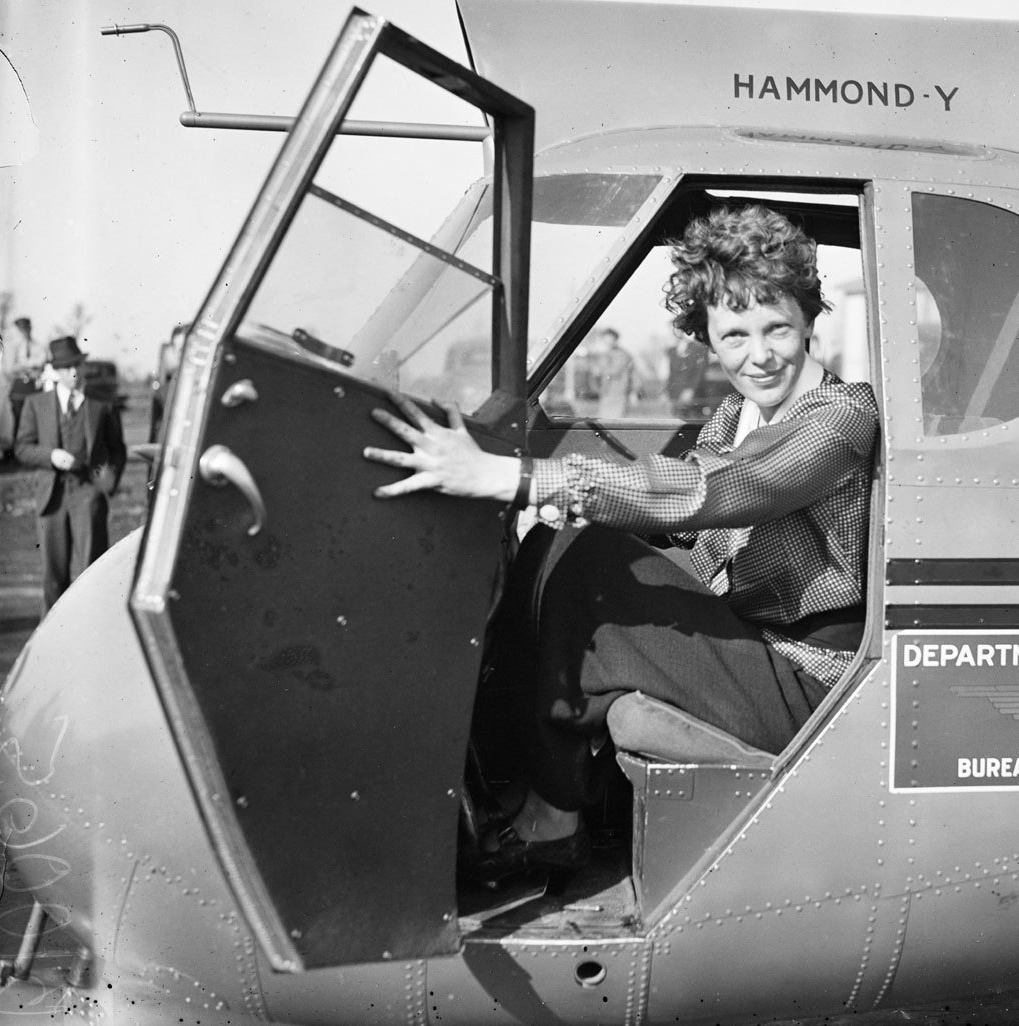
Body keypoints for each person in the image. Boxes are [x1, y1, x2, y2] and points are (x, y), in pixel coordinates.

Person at [363, 205, 878, 882]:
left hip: (811, 681)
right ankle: (505, 785)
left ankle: (553, 816)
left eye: (777, 326)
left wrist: (516, 476)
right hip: (754, 644)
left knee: (593, 560)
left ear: (810, 319)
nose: (760, 354)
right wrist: (567, 507)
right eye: (734, 335)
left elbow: (719, 491)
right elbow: (695, 533)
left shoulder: (840, 414)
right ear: (708, 339)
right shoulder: (734, 415)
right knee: (567, 539)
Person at [15, 336, 127, 614]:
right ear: (55, 370)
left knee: (93, 573)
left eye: (77, 364)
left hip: (88, 495)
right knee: (53, 579)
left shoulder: (101, 405)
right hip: (51, 498)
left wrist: (106, 485)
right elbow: (22, 448)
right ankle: (50, 646)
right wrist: (50, 456)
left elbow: (117, 450)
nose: (73, 372)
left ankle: (93, 635)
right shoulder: (36, 404)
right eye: (65, 368)